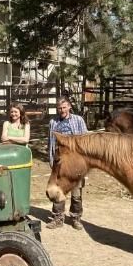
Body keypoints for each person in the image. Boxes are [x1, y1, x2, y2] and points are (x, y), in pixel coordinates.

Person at [47, 96, 88, 229]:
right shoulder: (53, 122)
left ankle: (76, 218)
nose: (62, 110)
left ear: (69, 107)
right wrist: (51, 160)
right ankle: (58, 218)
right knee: (58, 189)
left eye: (64, 107)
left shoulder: (78, 120)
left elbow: (85, 140)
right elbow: (50, 142)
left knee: (76, 191)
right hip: (59, 163)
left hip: (76, 161)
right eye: (59, 108)